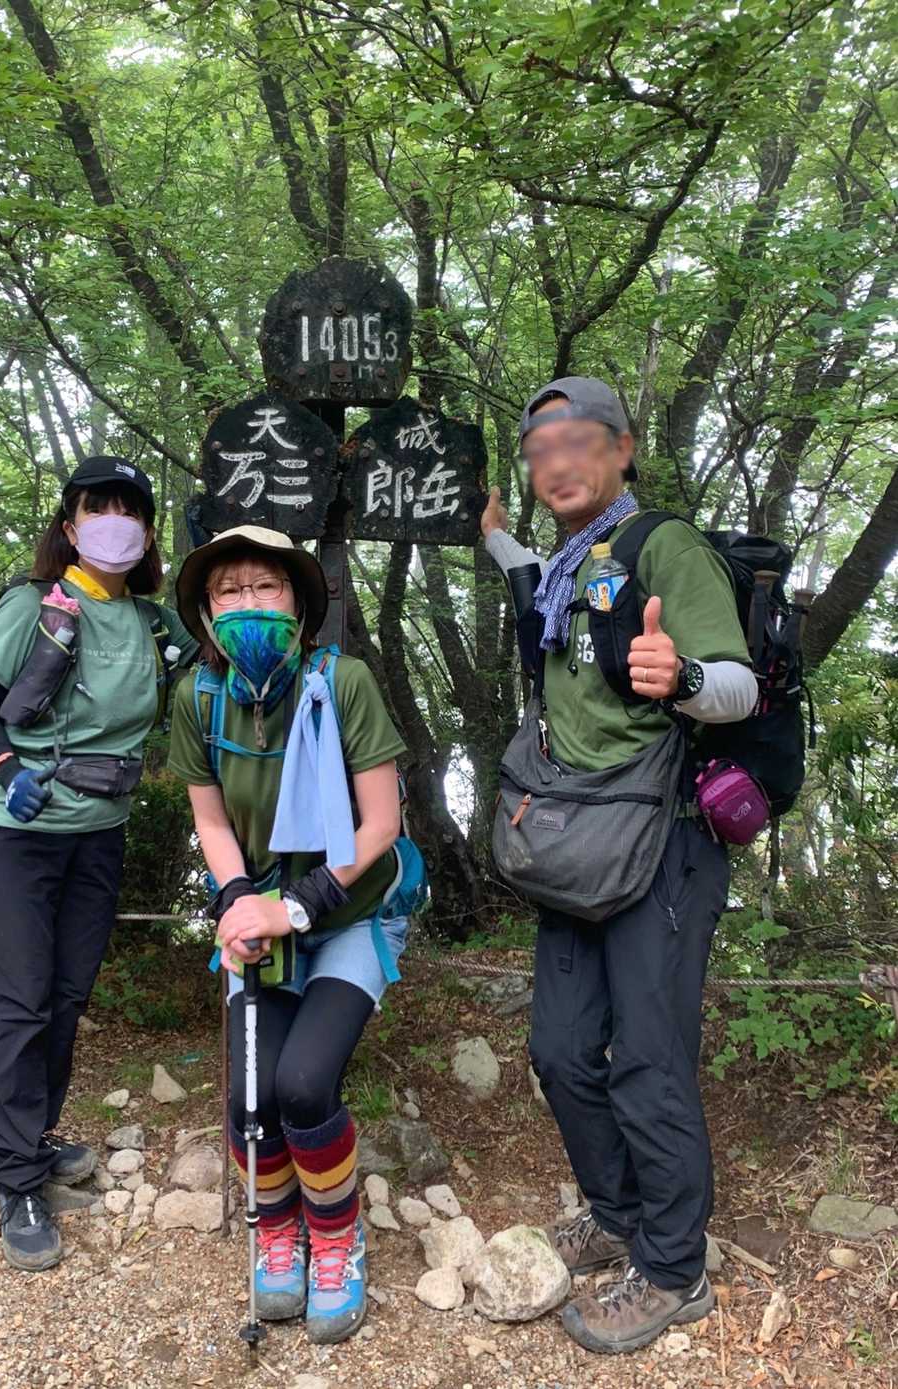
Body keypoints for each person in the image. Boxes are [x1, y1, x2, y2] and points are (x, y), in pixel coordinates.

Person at [481, 377, 758, 1355]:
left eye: (576, 439)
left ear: (621, 448)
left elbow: (737, 685)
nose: (556, 460)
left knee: (647, 1057)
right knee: (560, 1051)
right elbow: (529, 576)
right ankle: (616, 1214)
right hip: (577, 843)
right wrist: (489, 532)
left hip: (664, 842)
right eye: (537, 448)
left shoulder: (662, 546)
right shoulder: (566, 567)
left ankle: (674, 1268)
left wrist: (678, 676)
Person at [167, 525, 411, 1345]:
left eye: (264, 586)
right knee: (251, 1098)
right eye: (227, 590)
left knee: (304, 1083)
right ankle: (278, 1227)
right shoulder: (199, 697)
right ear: (206, 612)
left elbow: (380, 822)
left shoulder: (342, 683)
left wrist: (295, 905)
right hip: (258, 918)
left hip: (347, 913)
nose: (247, 603)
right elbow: (210, 819)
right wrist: (239, 898)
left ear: (299, 605)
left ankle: (335, 1234)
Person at [0, 455, 196, 1272]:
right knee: (17, 1003)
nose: (113, 521)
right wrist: (7, 772)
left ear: (148, 533)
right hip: (11, 829)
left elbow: (208, 664)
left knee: (64, 997)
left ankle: (31, 1135)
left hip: (99, 830)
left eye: (129, 509)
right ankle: (16, 1176)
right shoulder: (33, 605)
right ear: (68, 525)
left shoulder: (153, 624)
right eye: (98, 507)